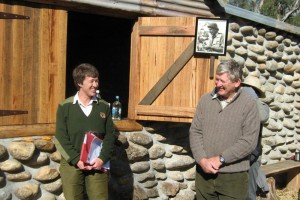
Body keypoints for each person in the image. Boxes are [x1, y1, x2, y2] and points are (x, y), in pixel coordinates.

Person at [189, 60, 261, 199]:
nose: (218, 84)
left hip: (234, 178)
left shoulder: (249, 104)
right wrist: (202, 160)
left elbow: (249, 141)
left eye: (223, 81)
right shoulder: (205, 100)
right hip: (204, 174)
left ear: (237, 82)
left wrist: (221, 159)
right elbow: (195, 131)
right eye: (217, 79)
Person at [54, 63, 116, 200]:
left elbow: (110, 136)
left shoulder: (104, 106)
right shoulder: (65, 107)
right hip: (72, 163)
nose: (95, 84)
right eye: (91, 81)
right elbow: (60, 137)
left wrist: (102, 159)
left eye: (97, 80)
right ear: (80, 83)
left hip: (97, 163)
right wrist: (76, 159)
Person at [242, 75, 270, 200]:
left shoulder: (261, 106)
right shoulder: (236, 102)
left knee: (250, 193)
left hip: (253, 154)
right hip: (236, 153)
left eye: (250, 89)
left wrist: (252, 98)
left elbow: (263, 117)